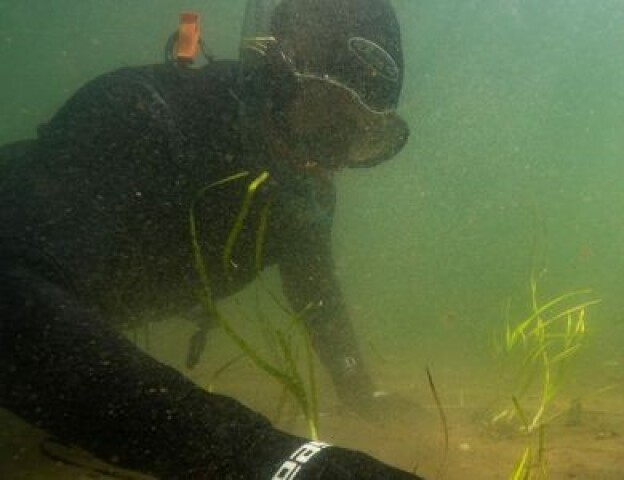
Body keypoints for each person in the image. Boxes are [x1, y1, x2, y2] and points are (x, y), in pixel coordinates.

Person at [0, 0, 422, 478]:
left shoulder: (296, 191)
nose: (332, 160)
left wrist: (358, 388)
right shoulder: (138, 115)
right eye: (324, 120)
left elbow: (316, 294)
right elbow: (11, 303)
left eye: (361, 137)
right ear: (270, 77)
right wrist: (264, 458)